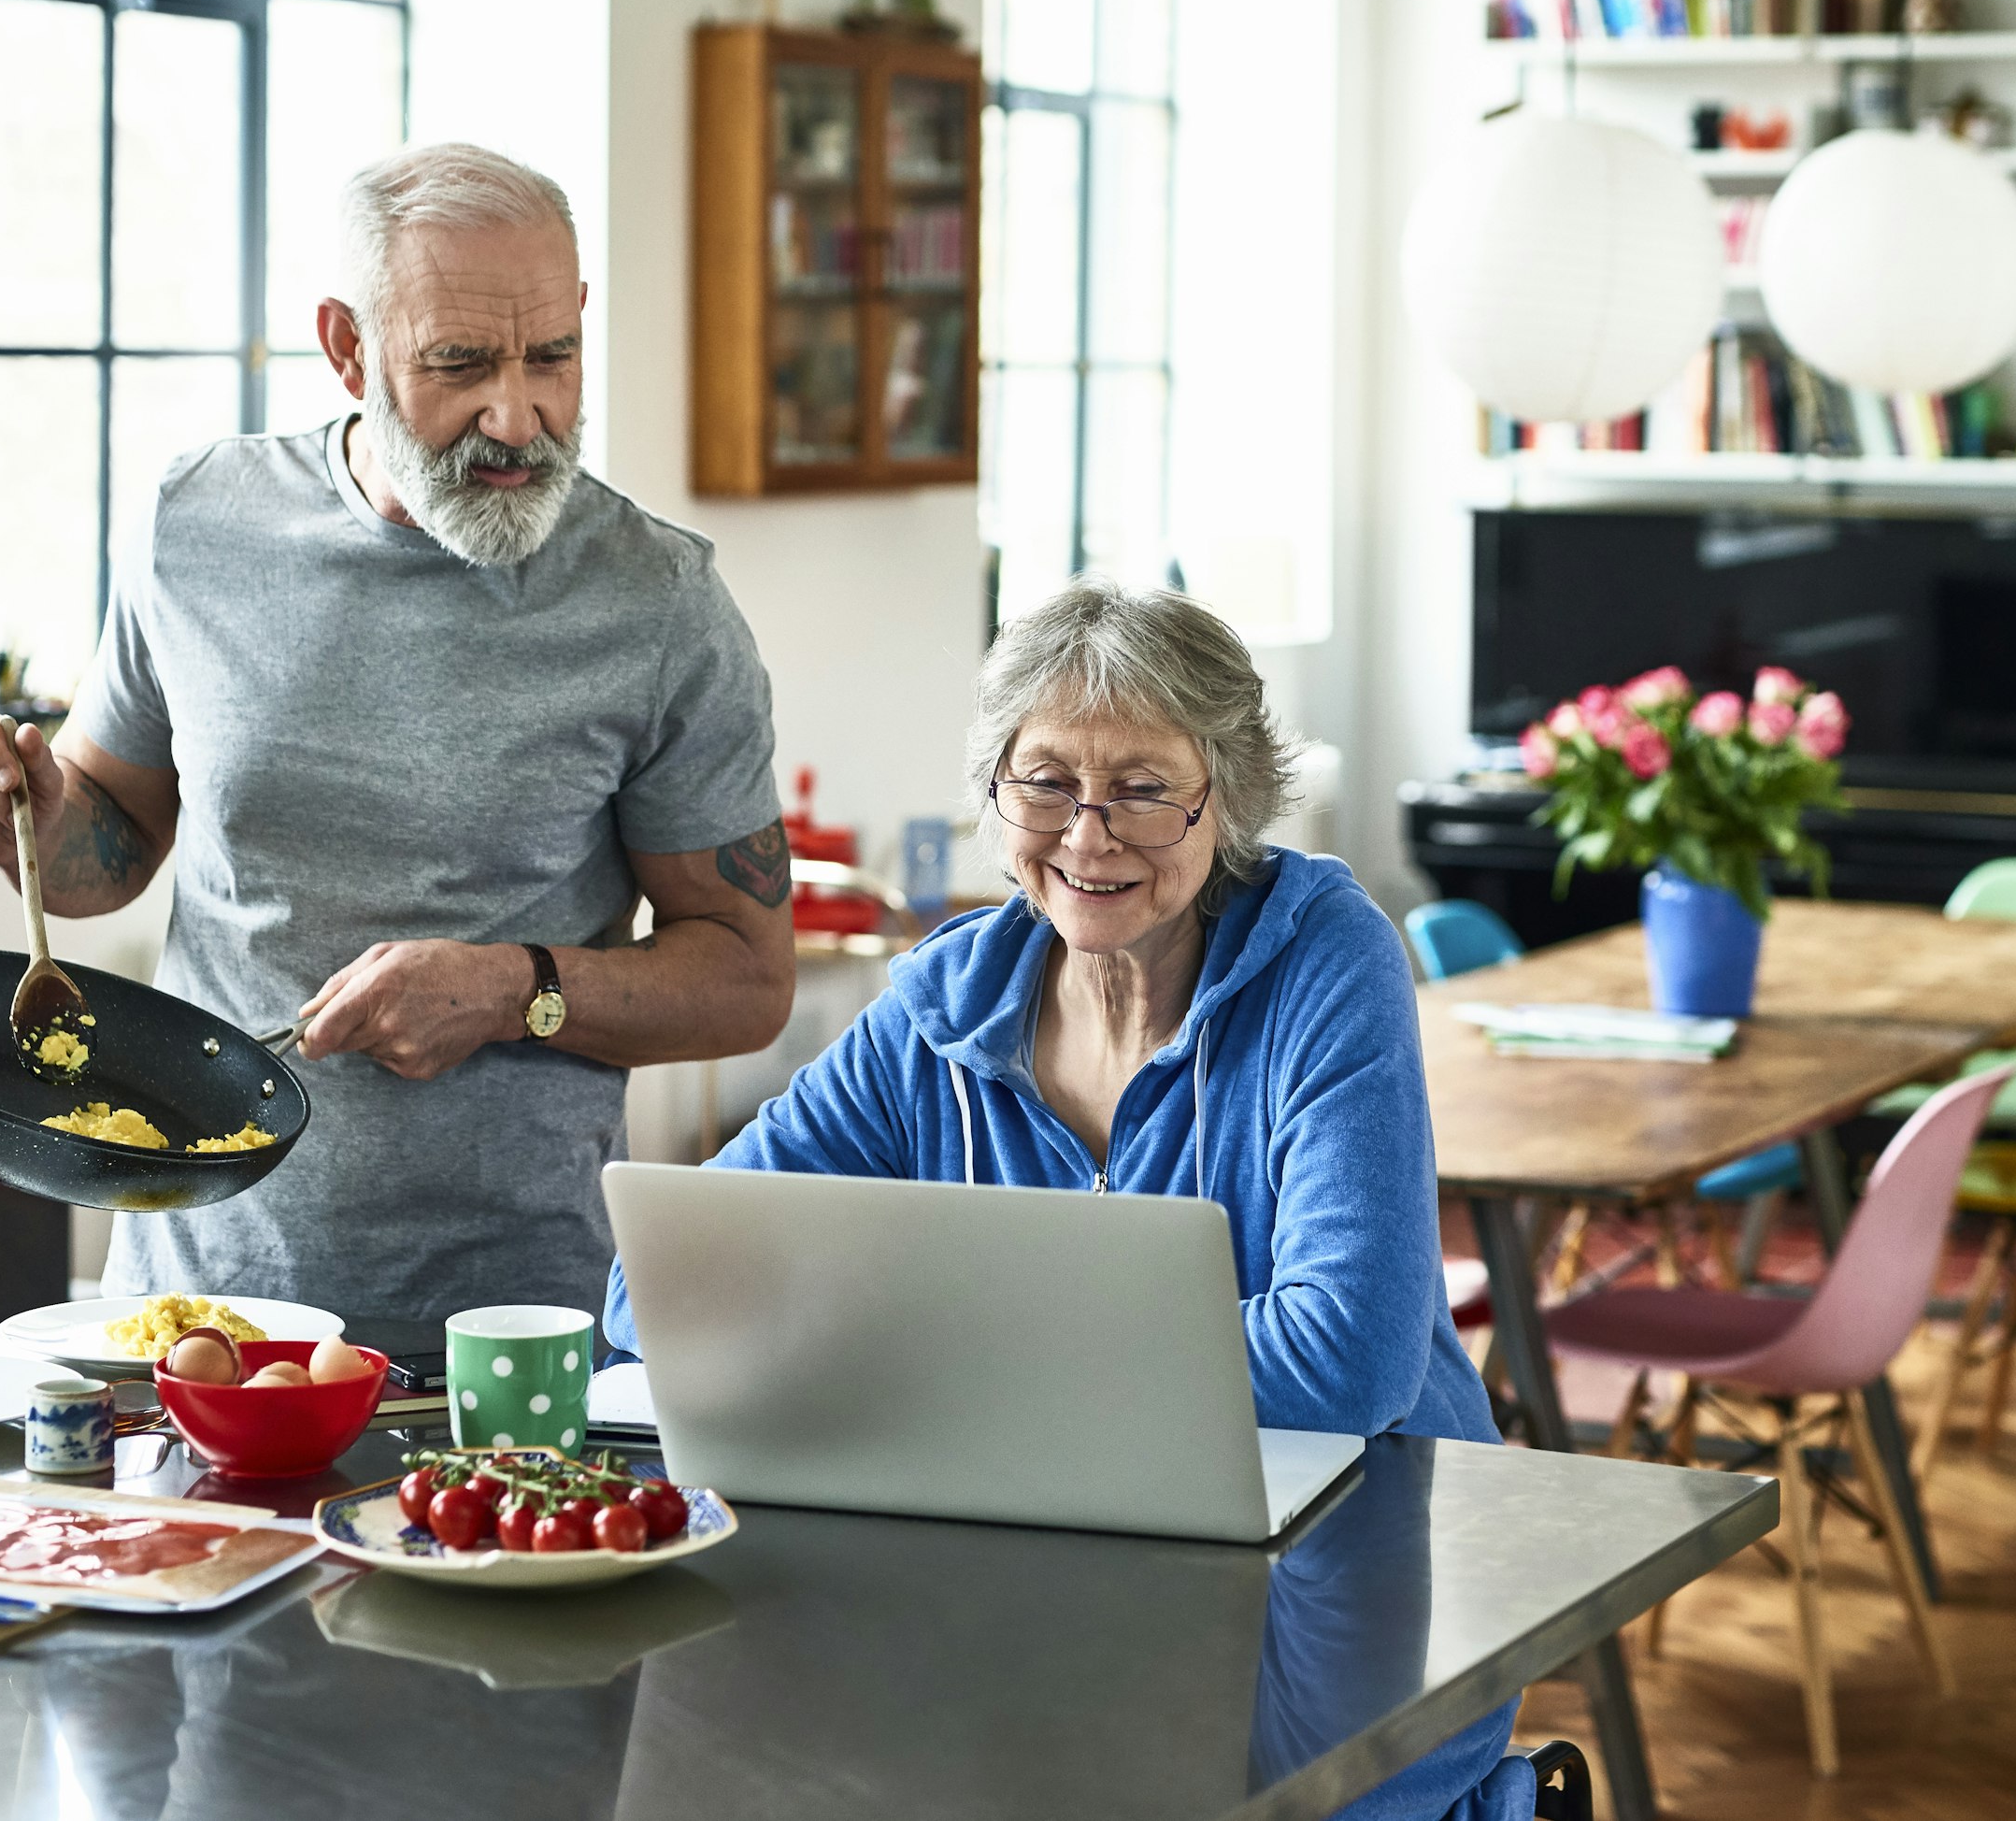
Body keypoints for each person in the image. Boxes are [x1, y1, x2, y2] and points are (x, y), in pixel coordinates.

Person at [605, 580, 1528, 1821]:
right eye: (1045, 782)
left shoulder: (1325, 959)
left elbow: (1347, 1353)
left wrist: (924, 1353)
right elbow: (662, 1291)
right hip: (1040, 1604)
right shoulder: (942, 1006)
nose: (1088, 835)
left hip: (1335, 1605)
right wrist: (1029, 1369)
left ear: (1228, 797)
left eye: (1144, 787)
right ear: (997, 791)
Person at [0, 141, 794, 1326]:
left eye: (554, 356)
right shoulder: (198, 523)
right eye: (460, 363)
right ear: (346, 347)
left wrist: (510, 988)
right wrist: (24, 814)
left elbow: (746, 976)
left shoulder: (660, 605)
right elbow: (107, 850)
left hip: (510, 1326)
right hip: (195, 1308)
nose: (516, 414)